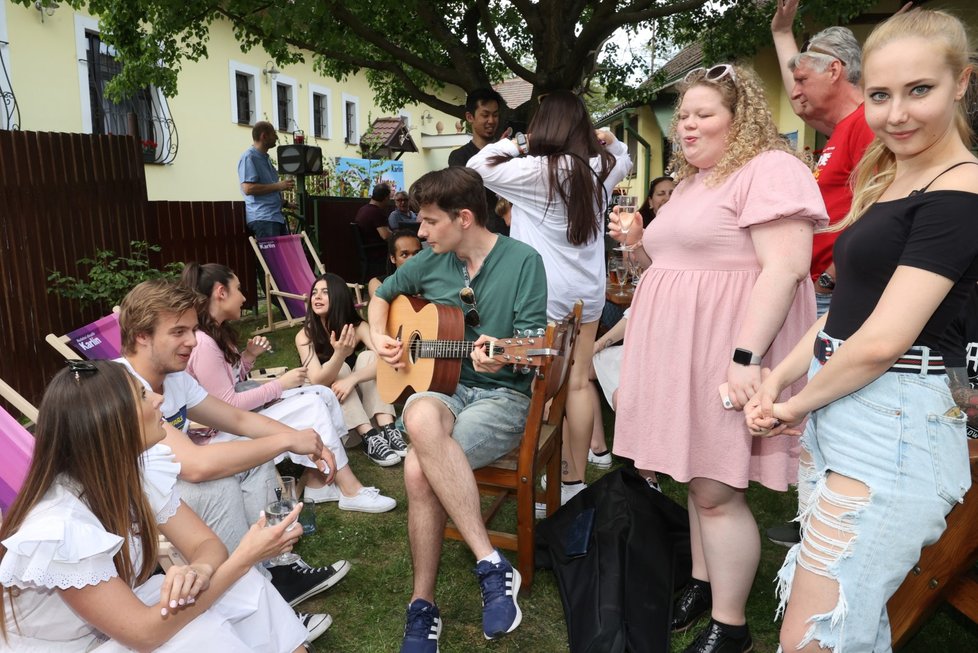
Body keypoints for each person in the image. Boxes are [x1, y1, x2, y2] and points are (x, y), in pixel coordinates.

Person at [746, 10, 978, 652]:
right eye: (880, 95)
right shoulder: (892, 172)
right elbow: (845, 310)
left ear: (963, 83)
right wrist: (782, 374)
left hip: (896, 426)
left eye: (919, 90)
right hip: (842, 407)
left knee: (813, 636)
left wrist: (791, 405)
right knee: (851, 625)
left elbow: (883, 340)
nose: (897, 113)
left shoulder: (962, 192)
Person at [609, 64, 827, 653]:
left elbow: (784, 269)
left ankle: (730, 627)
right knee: (695, 475)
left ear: (741, 118)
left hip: (728, 349)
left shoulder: (769, 169)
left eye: (703, 113)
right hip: (678, 351)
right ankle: (705, 585)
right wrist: (635, 247)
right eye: (683, 114)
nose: (686, 125)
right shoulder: (689, 183)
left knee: (716, 488)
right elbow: (670, 276)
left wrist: (744, 357)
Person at [0, 360, 316, 651]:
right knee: (200, 633)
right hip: (69, 647)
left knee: (244, 586)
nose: (157, 398)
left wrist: (198, 571)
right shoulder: (60, 529)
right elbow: (144, 634)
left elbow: (207, 545)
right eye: (141, 395)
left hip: (118, 621)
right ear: (111, 423)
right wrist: (244, 558)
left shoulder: (136, 471)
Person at [369, 167, 548, 651]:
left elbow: (532, 347)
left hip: (501, 395)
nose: (420, 233)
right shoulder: (430, 261)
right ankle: (491, 562)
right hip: (444, 391)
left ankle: (422, 605)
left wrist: (503, 353)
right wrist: (379, 339)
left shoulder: (523, 261)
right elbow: (379, 296)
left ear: (463, 218)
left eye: (428, 222)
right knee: (419, 416)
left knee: (416, 469)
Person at [116, 280, 349, 620]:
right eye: (179, 332)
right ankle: (251, 606)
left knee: (251, 456)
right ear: (141, 335)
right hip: (129, 511)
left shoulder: (173, 376)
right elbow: (196, 465)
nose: (192, 342)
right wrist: (285, 441)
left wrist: (302, 437)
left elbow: (237, 419)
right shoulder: (124, 387)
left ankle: (272, 572)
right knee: (216, 484)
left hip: (161, 490)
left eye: (194, 329)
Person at [765, 0, 898, 549]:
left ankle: (830, 522)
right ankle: (816, 516)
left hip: (839, 296)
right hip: (825, 294)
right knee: (823, 410)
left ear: (835, 72)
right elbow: (802, 76)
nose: (794, 88)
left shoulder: (863, 125)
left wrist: (834, 278)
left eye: (803, 76)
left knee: (832, 407)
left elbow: (877, 206)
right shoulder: (837, 128)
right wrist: (783, 33)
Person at [468, 90, 632, 510]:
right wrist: (609, 140)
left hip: (543, 295)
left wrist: (517, 142)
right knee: (578, 383)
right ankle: (573, 477)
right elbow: (625, 158)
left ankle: (541, 473)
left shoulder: (533, 169)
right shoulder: (600, 166)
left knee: (540, 386)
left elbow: (476, 166)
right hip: (588, 293)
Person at [182, 262, 396, 513]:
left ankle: (318, 481)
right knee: (312, 404)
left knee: (323, 394)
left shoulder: (217, 333)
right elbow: (228, 407)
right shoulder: (204, 343)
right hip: (219, 433)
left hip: (237, 417)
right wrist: (279, 386)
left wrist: (248, 356)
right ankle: (350, 489)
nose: (243, 297)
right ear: (221, 292)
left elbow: (230, 381)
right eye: (238, 289)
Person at [296, 272, 405, 468]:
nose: (317, 297)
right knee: (341, 368)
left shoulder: (357, 327)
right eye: (315, 293)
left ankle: (388, 429)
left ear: (338, 297)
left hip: (363, 410)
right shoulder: (305, 335)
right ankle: (370, 438)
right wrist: (339, 355)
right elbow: (318, 380)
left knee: (369, 356)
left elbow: (388, 360)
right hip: (338, 420)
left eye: (325, 292)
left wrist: (353, 379)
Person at [448, 88, 509, 235]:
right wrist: (497, 153)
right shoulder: (459, 157)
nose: (491, 121)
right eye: (485, 115)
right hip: (480, 235)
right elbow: (468, 194)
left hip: (513, 232)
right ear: (470, 117)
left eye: (495, 115)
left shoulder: (508, 151)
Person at [238, 121, 294, 238]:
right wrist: (279, 186)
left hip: (274, 217)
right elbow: (248, 189)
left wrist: (285, 203)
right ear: (264, 136)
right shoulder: (249, 157)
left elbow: (267, 191)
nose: (277, 137)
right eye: (274, 134)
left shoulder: (265, 158)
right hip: (263, 218)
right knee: (274, 256)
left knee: (281, 256)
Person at [355, 183, 393, 279]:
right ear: (385, 198)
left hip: (366, 251)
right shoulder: (376, 212)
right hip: (377, 252)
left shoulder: (362, 209)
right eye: (389, 198)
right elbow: (385, 236)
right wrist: (398, 235)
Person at [368, 230, 423, 297]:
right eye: (404, 254)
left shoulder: (432, 281)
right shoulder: (378, 283)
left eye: (416, 253)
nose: (412, 259)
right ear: (393, 258)